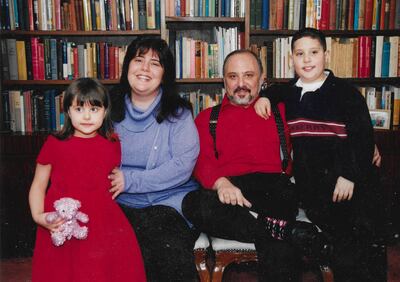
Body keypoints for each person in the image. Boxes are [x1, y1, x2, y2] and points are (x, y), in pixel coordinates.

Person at [182, 49, 329, 282]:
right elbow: (200, 160)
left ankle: (276, 228)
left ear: (262, 80)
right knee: (192, 203)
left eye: (248, 75)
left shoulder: (281, 111)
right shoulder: (208, 117)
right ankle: (285, 230)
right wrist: (221, 184)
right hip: (231, 192)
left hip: (274, 189)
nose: (241, 84)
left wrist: (364, 144)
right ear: (224, 81)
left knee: (278, 244)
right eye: (233, 77)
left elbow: (321, 132)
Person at [255, 28, 387, 282]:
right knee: (337, 242)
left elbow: (362, 138)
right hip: (316, 191)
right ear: (291, 59)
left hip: (350, 185)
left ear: (326, 55)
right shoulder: (290, 92)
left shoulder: (345, 93)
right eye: (300, 54)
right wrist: (264, 97)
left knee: (354, 250)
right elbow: (274, 92)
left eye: (313, 53)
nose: (307, 60)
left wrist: (348, 175)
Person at [28, 78, 146, 282]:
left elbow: (108, 173)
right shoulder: (55, 143)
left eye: (94, 109)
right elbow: (38, 185)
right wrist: (38, 216)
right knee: (64, 272)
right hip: (62, 221)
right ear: (67, 111)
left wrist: (120, 178)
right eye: (79, 109)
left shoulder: (112, 142)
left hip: (102, 220)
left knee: (101, 271)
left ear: (105, 111)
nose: (86, 116)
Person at [108, 37, 200, 281]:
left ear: (165, 74)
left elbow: (182, 166)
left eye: (155, 63)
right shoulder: (106, 108)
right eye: (138, 60)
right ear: (127, 66)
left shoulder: (179, 113)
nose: (145, 69)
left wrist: (130, 180)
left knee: (168, 253)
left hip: (166, 203)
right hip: (119, 204)